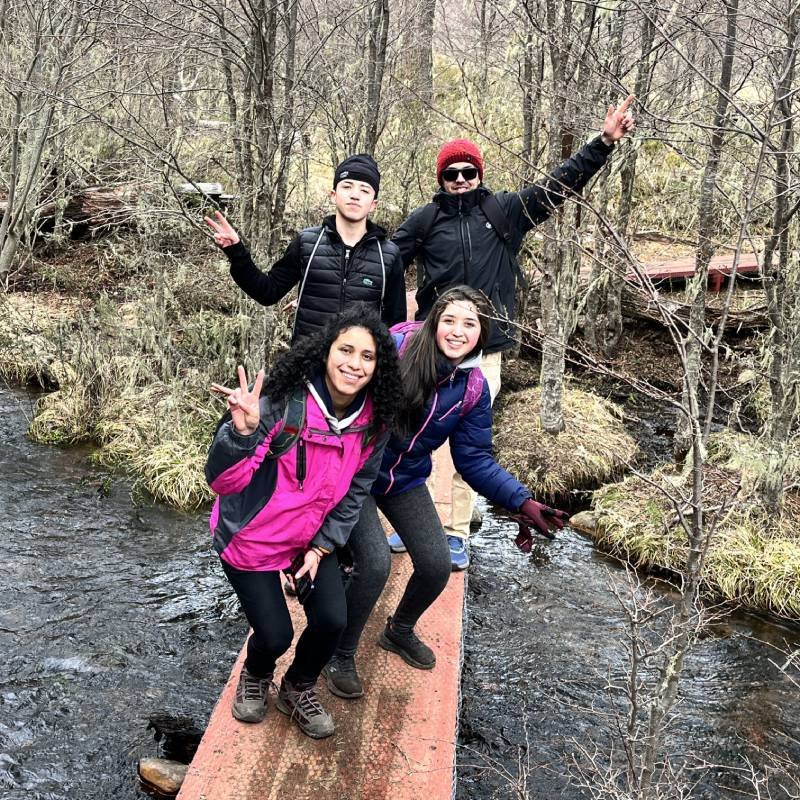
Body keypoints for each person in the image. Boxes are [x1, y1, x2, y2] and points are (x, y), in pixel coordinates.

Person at [390, 97, 635, 568]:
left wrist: (603, 143)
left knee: (466, 444)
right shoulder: (425, 220)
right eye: (451, 173)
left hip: (483, 351)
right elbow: (382, 261)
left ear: (480, 174)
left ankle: (454, 531)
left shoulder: (503, 211)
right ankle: (411, 521)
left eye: (468, 171)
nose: (461, 180)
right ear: (440, 179)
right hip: (427, 349)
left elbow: (558, 186)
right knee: (413, 437)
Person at [321, 286, 569, 699]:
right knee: (376, 563)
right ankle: (341, 652)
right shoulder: (396, 349)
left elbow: (474, 459)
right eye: (450, 320)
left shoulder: (471, 389)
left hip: (406, 480)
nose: (457, 331)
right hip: (357, 477)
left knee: (437, 565)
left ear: (482, 333)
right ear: (435, 319)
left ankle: (398, 630)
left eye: (469, 324)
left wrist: (521, 500)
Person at [205, 307, 402, 738]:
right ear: (326, 352)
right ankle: (257, 674)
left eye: (367, 356)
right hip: (250, 536)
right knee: (274, 635)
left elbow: (356, 491)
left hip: (306, 540)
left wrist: (321, 547)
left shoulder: (374, 423)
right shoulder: (281, 402)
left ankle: (297, 686)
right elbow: (222, 481)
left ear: (378, 366)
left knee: (332, 620)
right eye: (345, 350)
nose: (354, 363)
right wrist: (242, 435)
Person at [204, 154, 406, 342]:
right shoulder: (307, 242)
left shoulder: (387, 255)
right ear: (333, 195)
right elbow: (268, 291)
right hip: (307, 364)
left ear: (374, 204)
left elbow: (396, 325)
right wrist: (236, 252)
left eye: (364, 190)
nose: (355, 195)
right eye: (347, 186)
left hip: (357, 370)